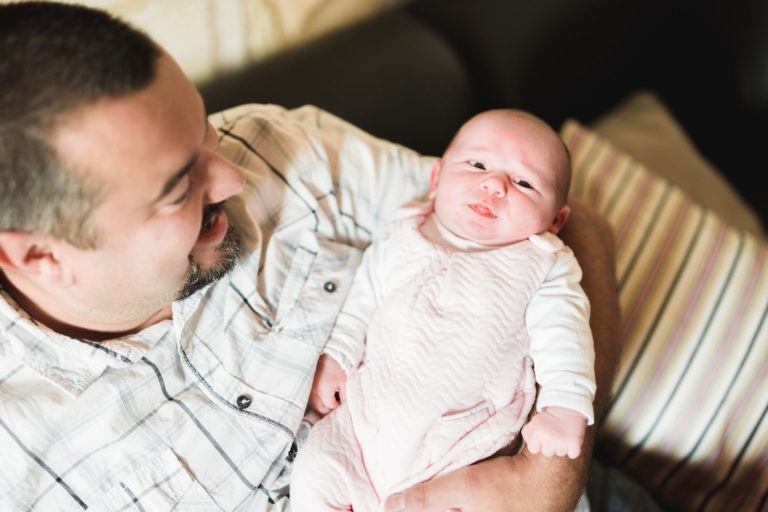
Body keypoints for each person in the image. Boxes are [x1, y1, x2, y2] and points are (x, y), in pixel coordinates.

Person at [0, 2, 628, 511]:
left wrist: (548, 482)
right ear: (39, 256)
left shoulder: (281, 151)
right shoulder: (21, 457)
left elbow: (565, 232)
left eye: (205, 134)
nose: (233, 180)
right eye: (178, 188)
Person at [291, 109, 596, 511]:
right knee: (314, 471)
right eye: (478, 164)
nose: (494, 185)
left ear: (556, 221)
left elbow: (566, 335)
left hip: (457, 449)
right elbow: (362, 300)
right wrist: (337, 355)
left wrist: (565, 406)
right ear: (436, 179)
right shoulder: (401, 232)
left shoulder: (544, 265)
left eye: (524, 182)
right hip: (362, 427)